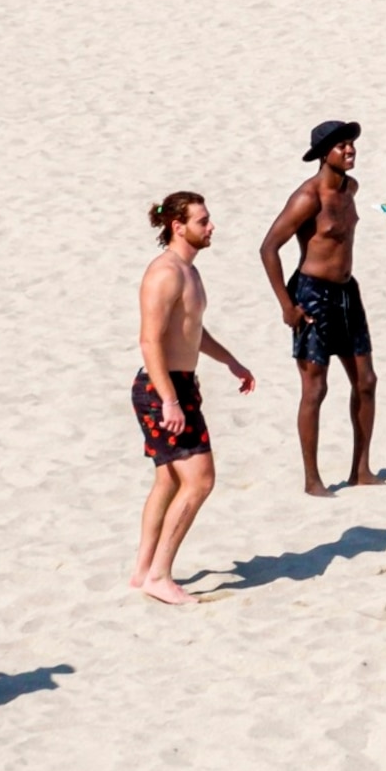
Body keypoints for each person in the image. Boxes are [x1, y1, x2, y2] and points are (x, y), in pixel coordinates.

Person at [130, 192, 256, 606]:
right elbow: (149, 341)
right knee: (200, 480)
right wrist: (168, 400)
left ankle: (142, 571)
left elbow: (191, 331)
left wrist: (231, 362)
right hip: (162, 388)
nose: (211, 226)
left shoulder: (188, 271)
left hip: (180, 384)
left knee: (168, 478)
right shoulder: (164, 273)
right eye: (203, 221)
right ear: (177, 227)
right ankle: (160, 575)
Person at [258, 119, 378, 496]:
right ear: (324, 154)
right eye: (342, 146)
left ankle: (361, 469)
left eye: (351, 144)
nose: (350, 150)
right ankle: (312, 480)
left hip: (347, 293)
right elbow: (268, 248)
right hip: (312, 294)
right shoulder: (308, 197)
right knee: (315, 388)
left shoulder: (351, 188)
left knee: (367, 382)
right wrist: (286, 305)